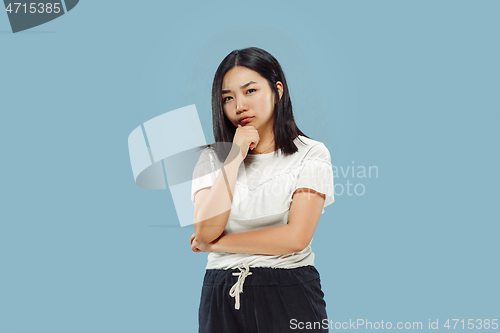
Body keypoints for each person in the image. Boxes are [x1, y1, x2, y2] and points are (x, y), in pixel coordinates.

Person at [190, 47, 335, 333]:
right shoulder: (211, 159)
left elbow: (295, 237)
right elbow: (206, 229)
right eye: (228, 98)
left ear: (277, 90)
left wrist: (215, 244)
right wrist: (234, 157)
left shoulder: (311, 154)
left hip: (288, 289)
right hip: (220, 293)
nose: (239, 106)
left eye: (250, 91)